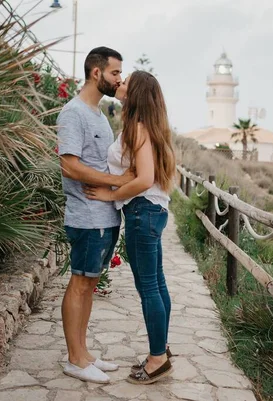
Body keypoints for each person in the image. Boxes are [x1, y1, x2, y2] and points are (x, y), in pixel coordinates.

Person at [84, 70, 176, 385]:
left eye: (126, 82)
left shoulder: (138, 129)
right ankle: (160, 349)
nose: (120, 84)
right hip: (151, 211)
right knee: (157, 283)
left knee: (148, 286)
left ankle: (157, 359)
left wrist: (111, 194)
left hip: (141, 211)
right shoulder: (147, 127)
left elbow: (144, 179)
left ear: (135, 93)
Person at [56, 46, 133, 384]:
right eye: (115, 73)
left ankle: (83, 353)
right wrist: (115, 182)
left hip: (105, 217)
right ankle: (74, 359)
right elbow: (70, 165)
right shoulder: (73, 113)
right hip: (86, 216)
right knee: (80, 283)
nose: (120, 79)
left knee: (90, 284)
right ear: (96, 72)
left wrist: (114, 193)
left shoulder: (99, 114)